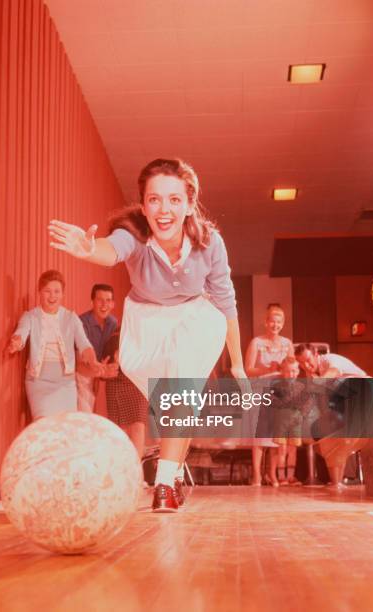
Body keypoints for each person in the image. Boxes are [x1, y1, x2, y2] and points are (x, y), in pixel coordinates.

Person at [48, 158, 247, 513]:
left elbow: (226, 301)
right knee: (176, 410)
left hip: (193, 319)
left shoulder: (209, 242)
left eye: (174, 199)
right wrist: (89, 249)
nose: (164, 209)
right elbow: (111, 249)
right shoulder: (134, 235)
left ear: (189, 204)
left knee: (180, 397)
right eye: (154, 199)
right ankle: (173, 475)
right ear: (143, 206)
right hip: (147, 325)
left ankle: (163, 485)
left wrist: (238, 365)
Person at [7, 270, 103, 420]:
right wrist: (16, 342)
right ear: (39, 292)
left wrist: (93, 361)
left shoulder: (71, 318)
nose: (52, 296)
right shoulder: (30, 316)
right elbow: (21, 333)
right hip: (38, 381)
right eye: (47, 291)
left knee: (65, 425)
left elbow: (84, 344)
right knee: (43, 423)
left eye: (57, 291)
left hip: (65, 383)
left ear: (63, 293)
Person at [295, 343, 369, 489]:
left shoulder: (330, 360)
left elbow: (333, 372)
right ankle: (336, 482)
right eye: (301, 363)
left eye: (308, 360)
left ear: (316, 354)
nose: (306, 365)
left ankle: (338, 481)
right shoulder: (313, 376)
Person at [244, 305, 294, 486]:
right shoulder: (256, 342)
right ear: (266, 322)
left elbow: (292, 366)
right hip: (260, 389)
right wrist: (267, 368)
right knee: (260, 435)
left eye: (279, 322)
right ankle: (257, 475)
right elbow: (248, 370)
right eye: (272, 321)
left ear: (283, 324)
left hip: (280, 391)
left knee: (276, 435)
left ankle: (272, 474)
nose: (275, 325)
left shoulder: (287, 344)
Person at [102, 329, 148, 462]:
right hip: (115, 380)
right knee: (119, 431)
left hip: (137, 380)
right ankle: (123, 471)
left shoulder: (147, 333)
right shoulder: (113, 330)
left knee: (138, 425)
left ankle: (137, 470)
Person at [76, 284, 118, 413]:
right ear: (92, 302)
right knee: (84, 416)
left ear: (112, 304)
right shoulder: (82, 323)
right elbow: (78, 365)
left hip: (98, 374)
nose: (104, 305)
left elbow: (113, 352)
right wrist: (98, 372)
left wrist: (112, 366)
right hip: (79, 375)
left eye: (108, 300)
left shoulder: (113, 323)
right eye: (100, 300)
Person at [271, 356, 312, 486]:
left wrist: (302, 414)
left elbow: (307, 403)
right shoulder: (276, 387)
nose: (291, 374)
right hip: (281, 423)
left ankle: (291, 476)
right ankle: (281, 477)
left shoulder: (301, 387)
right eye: (288, 371)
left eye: (294, 371)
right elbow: (272, 403)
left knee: (292, 450)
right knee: (281, 450)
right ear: (282, 371)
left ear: (298, 371)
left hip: (296, 423)